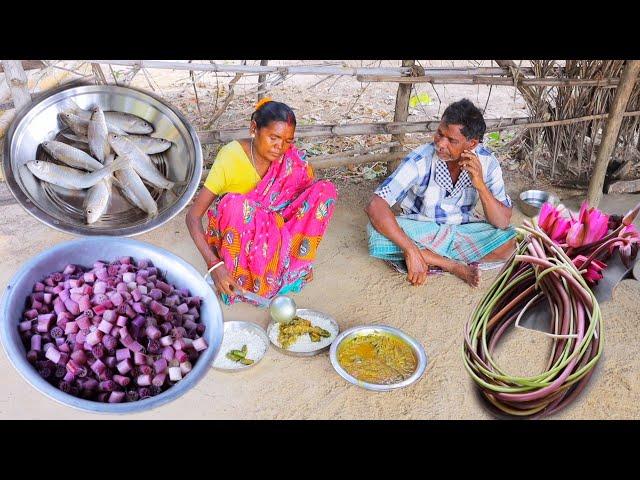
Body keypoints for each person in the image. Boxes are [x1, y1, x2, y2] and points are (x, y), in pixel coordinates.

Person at [186, 98, 337, 304]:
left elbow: (302, 204)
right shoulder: (231, 157)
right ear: (254, 128)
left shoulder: (290, 161)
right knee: (235, 204)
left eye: (287, 141)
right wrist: (214, 265)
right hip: (241, 233)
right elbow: (193, 217)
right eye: (273, 137)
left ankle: (292, 269)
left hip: (276, 228)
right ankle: (242, 281)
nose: (279, 147)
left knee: (324, 191)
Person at [365, 98, 516, 287]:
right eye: (439, 133)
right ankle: (450, 265)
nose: (441, 144)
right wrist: (410, 249)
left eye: (451, 140)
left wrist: (480, 185)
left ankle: (428, 259)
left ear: (472, 144)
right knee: (376, 234)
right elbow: (375, 205)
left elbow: (502, 221)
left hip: (462, 229)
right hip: (422, 229)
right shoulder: (420, 159)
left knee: (509, 242)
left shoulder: (487, 163)